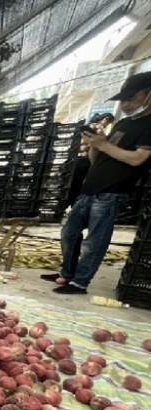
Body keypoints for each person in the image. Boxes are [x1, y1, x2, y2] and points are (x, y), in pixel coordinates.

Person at [41, 72, 151, 295]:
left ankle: (80, 283)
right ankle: (67, 273)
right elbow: (96, 160)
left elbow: (138, 158)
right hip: (89, 188)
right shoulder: (123, 123)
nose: (126, 104)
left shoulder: (149, 126)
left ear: (148, 96)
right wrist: (94, 144)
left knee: (95, 241)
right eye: (123, 100)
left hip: (112, 193)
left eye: (132, 98)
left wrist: (104, 144)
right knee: (69, 233)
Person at [67, 113, 116, 207]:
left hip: (75, 160)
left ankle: (67, 205)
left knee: (72, 184)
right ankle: (73, 205)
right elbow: (97, 143)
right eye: (109, 122)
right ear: (105, 119)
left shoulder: (87, 127)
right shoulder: (97, 128)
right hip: (84, 161)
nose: (107, 125)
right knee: (78, 185)